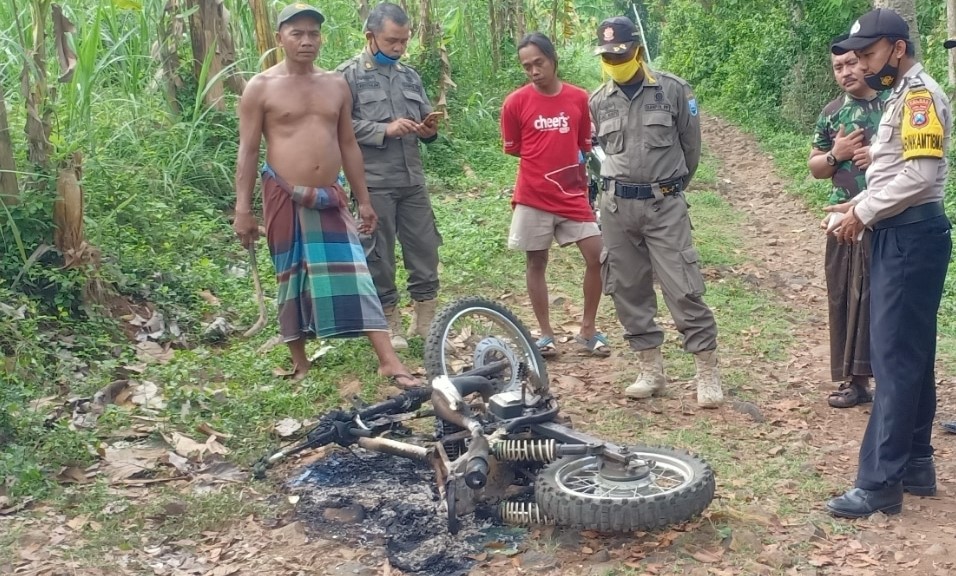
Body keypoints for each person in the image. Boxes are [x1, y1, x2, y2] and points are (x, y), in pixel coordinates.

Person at [233, 3, 421, 388]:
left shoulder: (335, 84)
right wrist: (242, 210)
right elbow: (248, 150)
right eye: (297, 33)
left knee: (356, 269)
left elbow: (348, 143)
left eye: (313, 34)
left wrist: (363, 199)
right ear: (279, 37)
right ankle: (300, 361)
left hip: (330, 195)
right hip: (283, 193)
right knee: (292, 273)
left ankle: (388, 360)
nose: (306, 41)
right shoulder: (260, 87)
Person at [824, 8, 951, 518]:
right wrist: (873, 165)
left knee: (894, 361)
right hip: (904, 233)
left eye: (871, 54)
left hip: (909, 234)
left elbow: (921, 176)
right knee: (911, 356)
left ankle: (879, 484)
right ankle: (916, 463)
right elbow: (902, 160)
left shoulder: (919, 95)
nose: (864, 63)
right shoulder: (901, 93)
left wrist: (863, 209)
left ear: (897, 48)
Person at [589, 17, 723, 408]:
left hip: (664, 204)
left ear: (637, 50)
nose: (615, 60)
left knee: (683, 286)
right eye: (607, 55)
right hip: (616, 206)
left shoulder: (674, 90)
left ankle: (707, 371)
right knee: (627, 288)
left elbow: (691, 148)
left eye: (621, 53)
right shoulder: (599, 100)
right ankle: (651, 370)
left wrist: (668, 187)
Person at [336, 2, 442, 351]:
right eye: (392, 40)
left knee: (424, 247)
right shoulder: (346, 76)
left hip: (412, 179)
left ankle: (426, 319)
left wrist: (428, 128)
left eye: (404, 41)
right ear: (371, 36)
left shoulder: (409, 75)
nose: (398, 48)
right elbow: (339, 127)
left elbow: (426, 118)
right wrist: (384, 129)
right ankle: (389, 319)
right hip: (374, 182)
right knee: (379, 254)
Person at [500, 32, 608, 358]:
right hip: (533, 195)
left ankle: (588, 330)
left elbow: (582, 145)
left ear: (553, 59)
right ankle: (545, 334)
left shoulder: (578, 98)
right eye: (527, 66)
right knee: (536, 260)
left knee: (598, 256)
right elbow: (515, 148)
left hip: (571, 194)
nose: (534, 71)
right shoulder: (515, 103)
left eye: (539, 62)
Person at [808, 36, 886, 408]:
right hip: (842, 217)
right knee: (843, 297)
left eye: (853, 63)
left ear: (868, 62)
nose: (846, 72)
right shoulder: (832, 112)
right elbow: (815, 167)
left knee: (878, 299)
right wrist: (835, 155)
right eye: (838, 67)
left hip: (885, 216)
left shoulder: (892, 104)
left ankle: (887, 380)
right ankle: (853, 382)